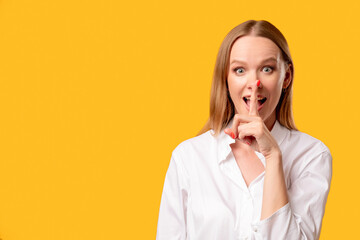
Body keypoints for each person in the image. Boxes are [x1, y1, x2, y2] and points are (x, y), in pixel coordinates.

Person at [156, 20, 332, 240]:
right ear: (226, 79)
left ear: (286, 77)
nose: (254, 83)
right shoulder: (188, 158)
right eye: (240, 70)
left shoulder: (312, 155)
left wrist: (273, 157)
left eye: (267, 69)